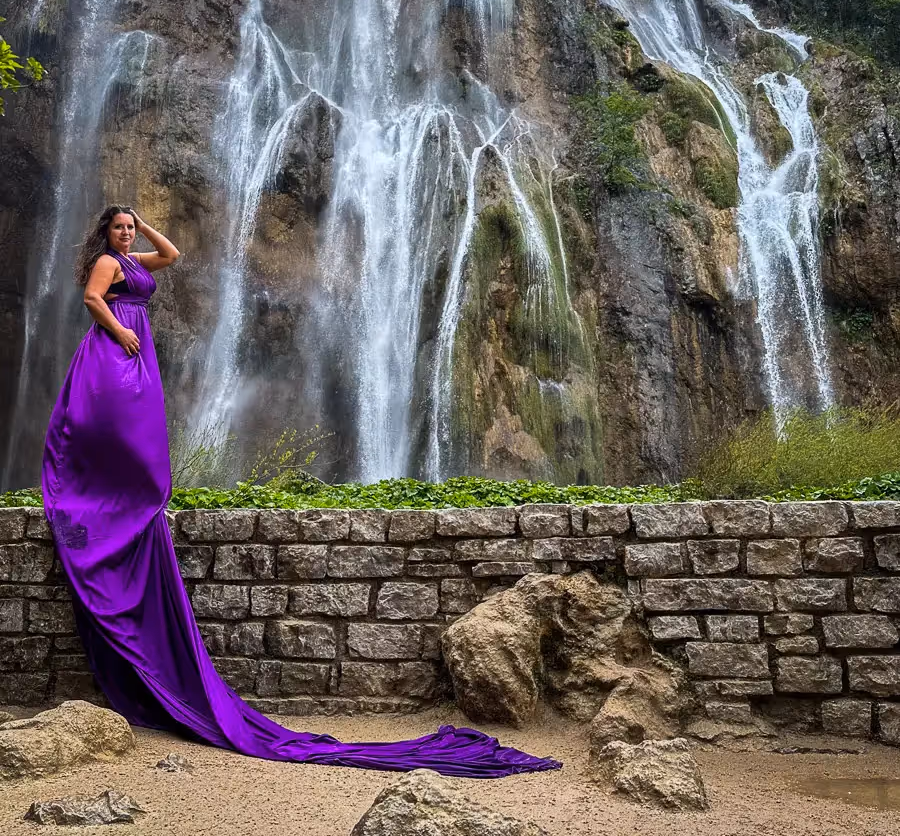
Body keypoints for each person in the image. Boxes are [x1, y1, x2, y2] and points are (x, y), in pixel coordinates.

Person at [42, 204, 559, 776]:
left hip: (136, 349)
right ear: (104, 234)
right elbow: (92, 301)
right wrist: (120, 330)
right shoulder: (106, 267)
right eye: (119, 227)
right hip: (120, 348)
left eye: (129, 227)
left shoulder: (131, 256)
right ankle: (110, 498)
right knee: (118, 427)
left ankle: (133, 499)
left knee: (141, 436)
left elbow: (171, 257)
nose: (126, 233)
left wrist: (140, 223)